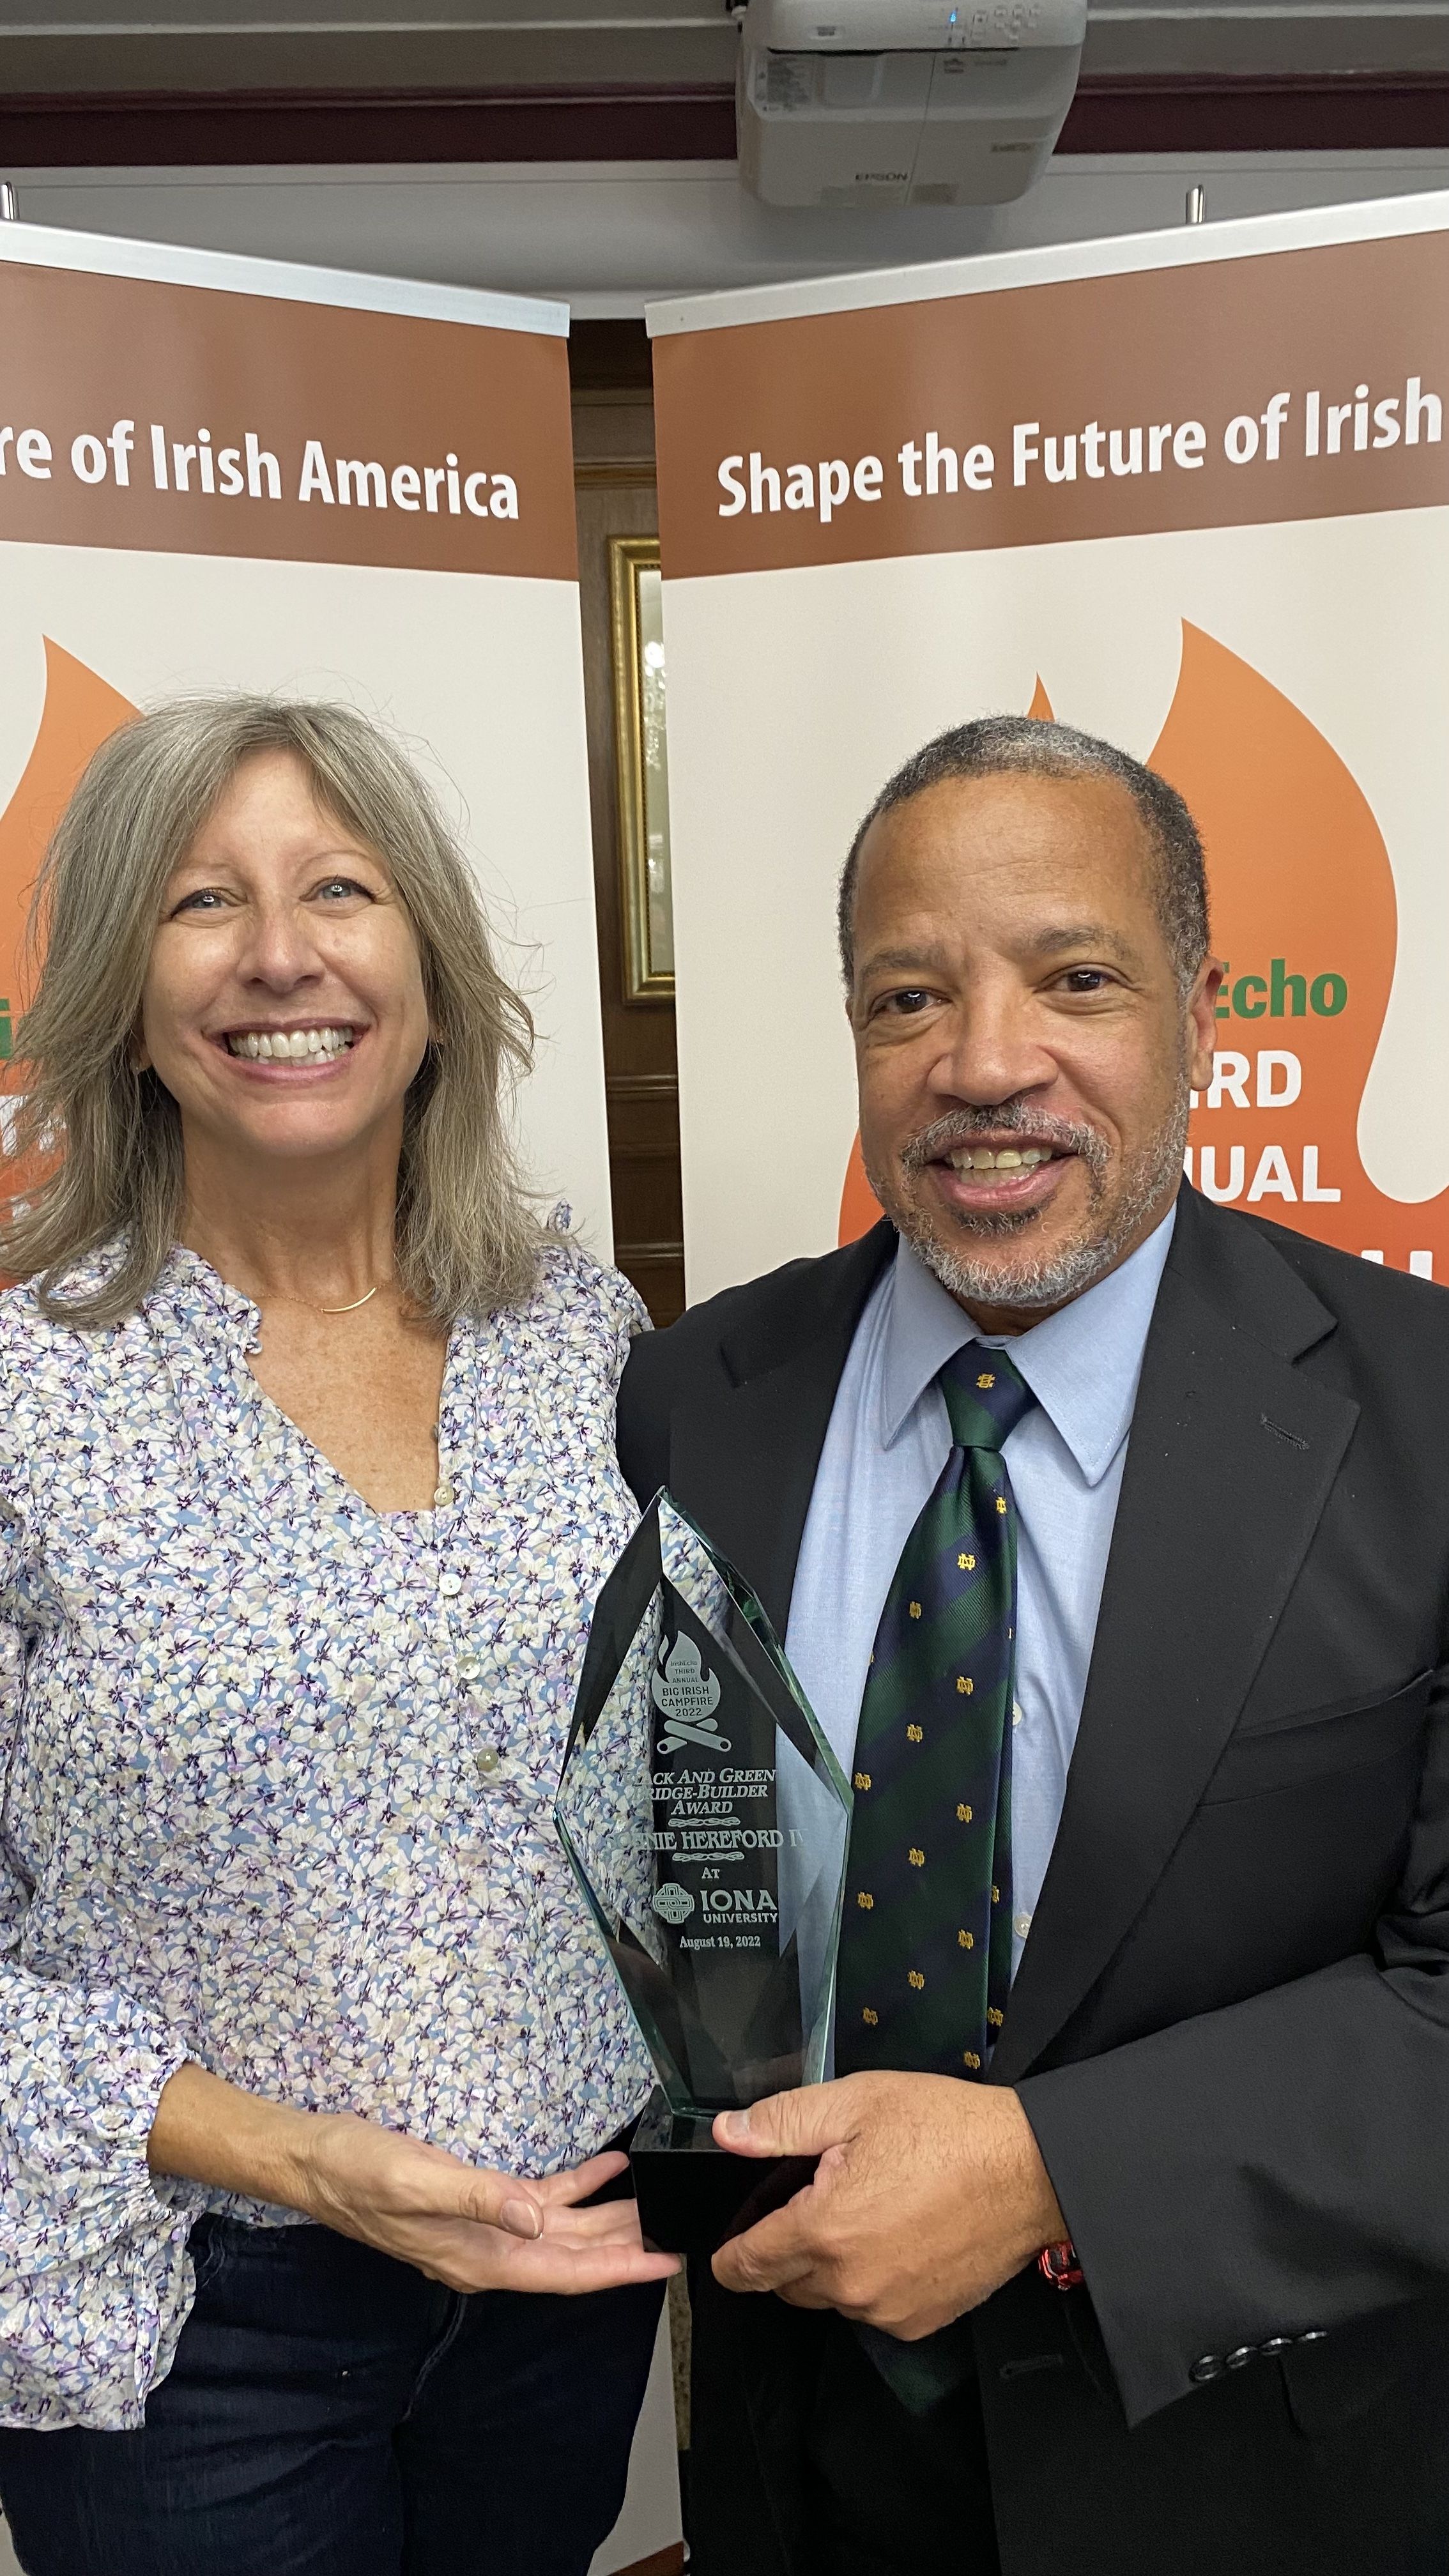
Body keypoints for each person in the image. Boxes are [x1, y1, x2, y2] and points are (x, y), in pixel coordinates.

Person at [616, 716, 1449, 2576]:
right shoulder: (692, 1403)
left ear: (1201, 1004)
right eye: (908, 999)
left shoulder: (1421, 1413)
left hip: (1255, 2470)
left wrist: (1048, 2172)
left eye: (1074, 979)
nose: (985, 1065)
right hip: (798, 2458)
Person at [0, 698, 677, 2576]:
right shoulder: (23, 1396)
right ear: (121, 998)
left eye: (340, 891)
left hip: (563, 2262)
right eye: (201, 901)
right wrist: (301, 2160)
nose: (281, 954)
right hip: (199, 2316)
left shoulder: (579, 1329)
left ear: (433, 981)